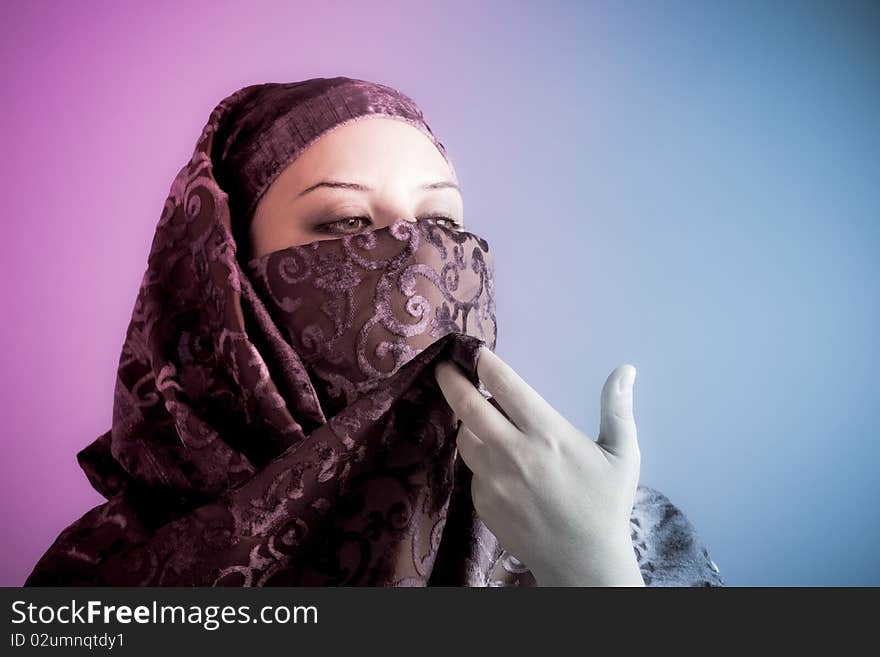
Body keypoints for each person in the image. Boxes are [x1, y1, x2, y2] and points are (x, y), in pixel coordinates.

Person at [25, 76, 722, 587]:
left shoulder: (627, 537)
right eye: (347, 224)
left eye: (444, 226)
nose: (420, 263)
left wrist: (595, 573)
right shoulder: (101, 578)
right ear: (223, 282)